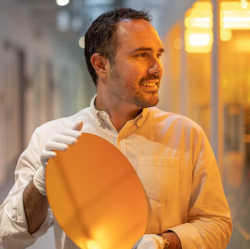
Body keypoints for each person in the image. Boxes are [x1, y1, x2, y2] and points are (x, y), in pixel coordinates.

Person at [0, 8, 232, 249]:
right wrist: (39, 185)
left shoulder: (187, 135)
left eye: (158, 55)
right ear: (101, 65)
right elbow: (7, 235)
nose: (156, 68)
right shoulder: (51, 138)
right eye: (142, 55)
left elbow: (217, 223)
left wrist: (164, 243)